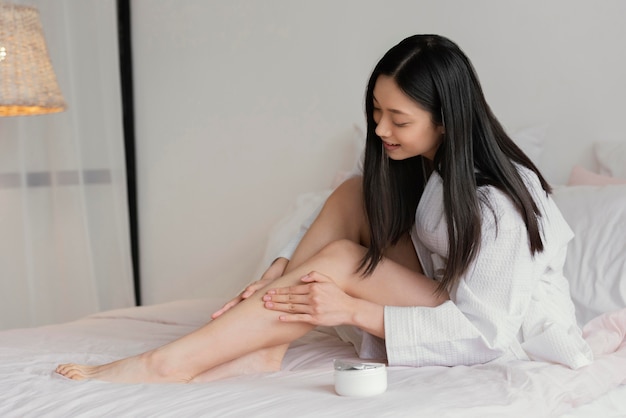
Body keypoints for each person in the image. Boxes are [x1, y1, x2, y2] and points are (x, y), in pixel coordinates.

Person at [55, 34, 592, 384]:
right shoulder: (429, 165)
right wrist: (283, 274)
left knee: (340, 261)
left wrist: (353, 310)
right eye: (376, 112)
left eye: (398, 120)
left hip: (496, 325)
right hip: (439, 289)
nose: (381, 130)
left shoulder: (499, 204)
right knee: (353, 195)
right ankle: (268, 342)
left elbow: (487, 333)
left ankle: (168, 364)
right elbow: (391, 226)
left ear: (446, 120)